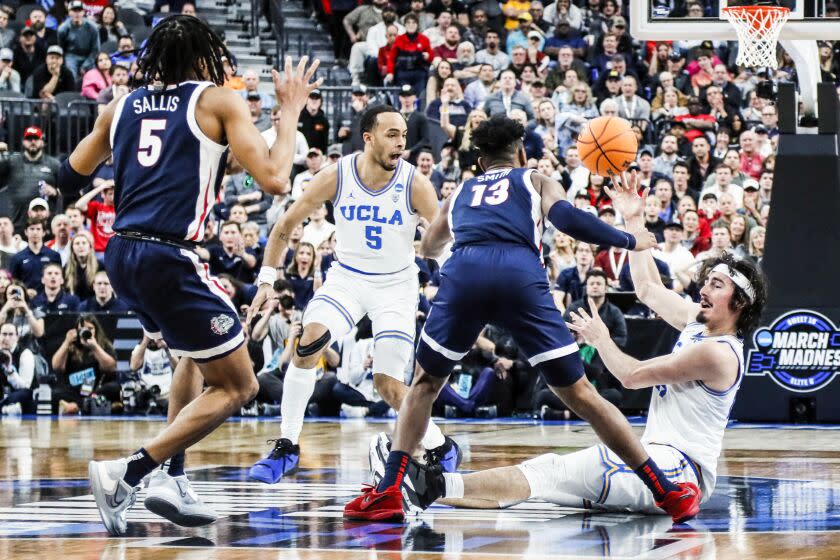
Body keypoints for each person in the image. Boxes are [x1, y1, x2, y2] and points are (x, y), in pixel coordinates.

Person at [346, 115, 698, 524]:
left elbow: (429, 245)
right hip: (519, 272)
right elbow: (566, 218)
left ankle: (389, 490)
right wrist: (629, 238)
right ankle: (666, 491)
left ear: (480, 161)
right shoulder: (534, 179)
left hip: (465, 272)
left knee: (424, 384)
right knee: (581, 393)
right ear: (522, 153)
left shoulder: (459, 191)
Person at [68, 15, 320, 536]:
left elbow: (74, 169)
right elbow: (274, 178)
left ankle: (172, 477)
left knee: (190, 352)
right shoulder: (216, 100)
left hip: (120, 253)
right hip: (168, 256)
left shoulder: (121, 106)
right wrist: (289, 111)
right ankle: (131, 473)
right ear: (204, 60)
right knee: (239, 385)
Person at [403, 171, 768, 521]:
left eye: (717, 286)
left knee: (551, 470)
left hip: (679, 470)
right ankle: (431, 488)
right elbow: (648, 290)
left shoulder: (718, 353)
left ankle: (427, 486)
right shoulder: (696, 319)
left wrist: (602, 339)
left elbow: (632, 376)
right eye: (708, 282)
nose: (703, 290)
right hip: (658, 458)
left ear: (740, 304)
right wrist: (634, 221)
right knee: (547, 481)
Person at [245, 105, 460, 486]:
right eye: (392, 134)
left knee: (388, 385)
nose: (401, 143)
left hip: (396, 286)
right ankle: (287, 444)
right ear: (368, 137)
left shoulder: (414, 182)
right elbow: (285, 225)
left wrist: (454, 278)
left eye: (403, 135)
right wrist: (266, 277)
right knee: (307, 341)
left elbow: (444, 240)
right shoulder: (337, 175)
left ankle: (441, 446)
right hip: (347, 278)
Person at [51, 314, 118, 415]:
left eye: (90, 329)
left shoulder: (103, 345)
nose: (86, 332)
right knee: (55, 393)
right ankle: (86, 406)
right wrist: (66, 342)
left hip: (96, 391)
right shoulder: (71, 346)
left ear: (96, 330)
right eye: (82, 329)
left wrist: (94, 347)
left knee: (114, 388)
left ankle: (78, 406)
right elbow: (56, 366)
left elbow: (111, 367)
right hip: (75, 391)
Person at [0, 127, 61, 233]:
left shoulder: (54, 164)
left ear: (42, 142)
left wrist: (55, 192)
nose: (33, 142)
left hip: (45, 227)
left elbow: (68, 191)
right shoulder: (12, 162)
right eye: (29, 139)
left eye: (36, 139)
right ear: (23, 142)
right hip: (17, 225)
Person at [8, 219, 62, 291]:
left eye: (38, 229)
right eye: (32, 229)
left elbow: (60, 280)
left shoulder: (54, 256)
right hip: (26, 299)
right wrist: (25, 293)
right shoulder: (17, 258)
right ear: (26, 232)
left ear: (44, 232)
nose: (35, 232)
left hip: (49, 299)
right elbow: (13, 283)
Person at [0, 322, 36, 415]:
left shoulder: (25, 354)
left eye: (11, 334)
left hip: (18, 395)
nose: (6, 338)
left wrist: (9, 370)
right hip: (2, 394)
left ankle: (3, 407)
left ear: (17, 337)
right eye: (4, 334)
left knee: (24, 393)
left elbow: (25, 386)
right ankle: (4, 408)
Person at [58, 1, 101, 77]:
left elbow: (95, 49)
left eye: (79, 10)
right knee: (70, 73)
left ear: (83, 12)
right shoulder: (62, 29)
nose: (77, 13)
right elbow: (61, 49)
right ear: (69, 12)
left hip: (88, 55)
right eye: (74, 10)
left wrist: (86, 65)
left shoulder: (93, 27)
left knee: (92, 75)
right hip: (71, 55)